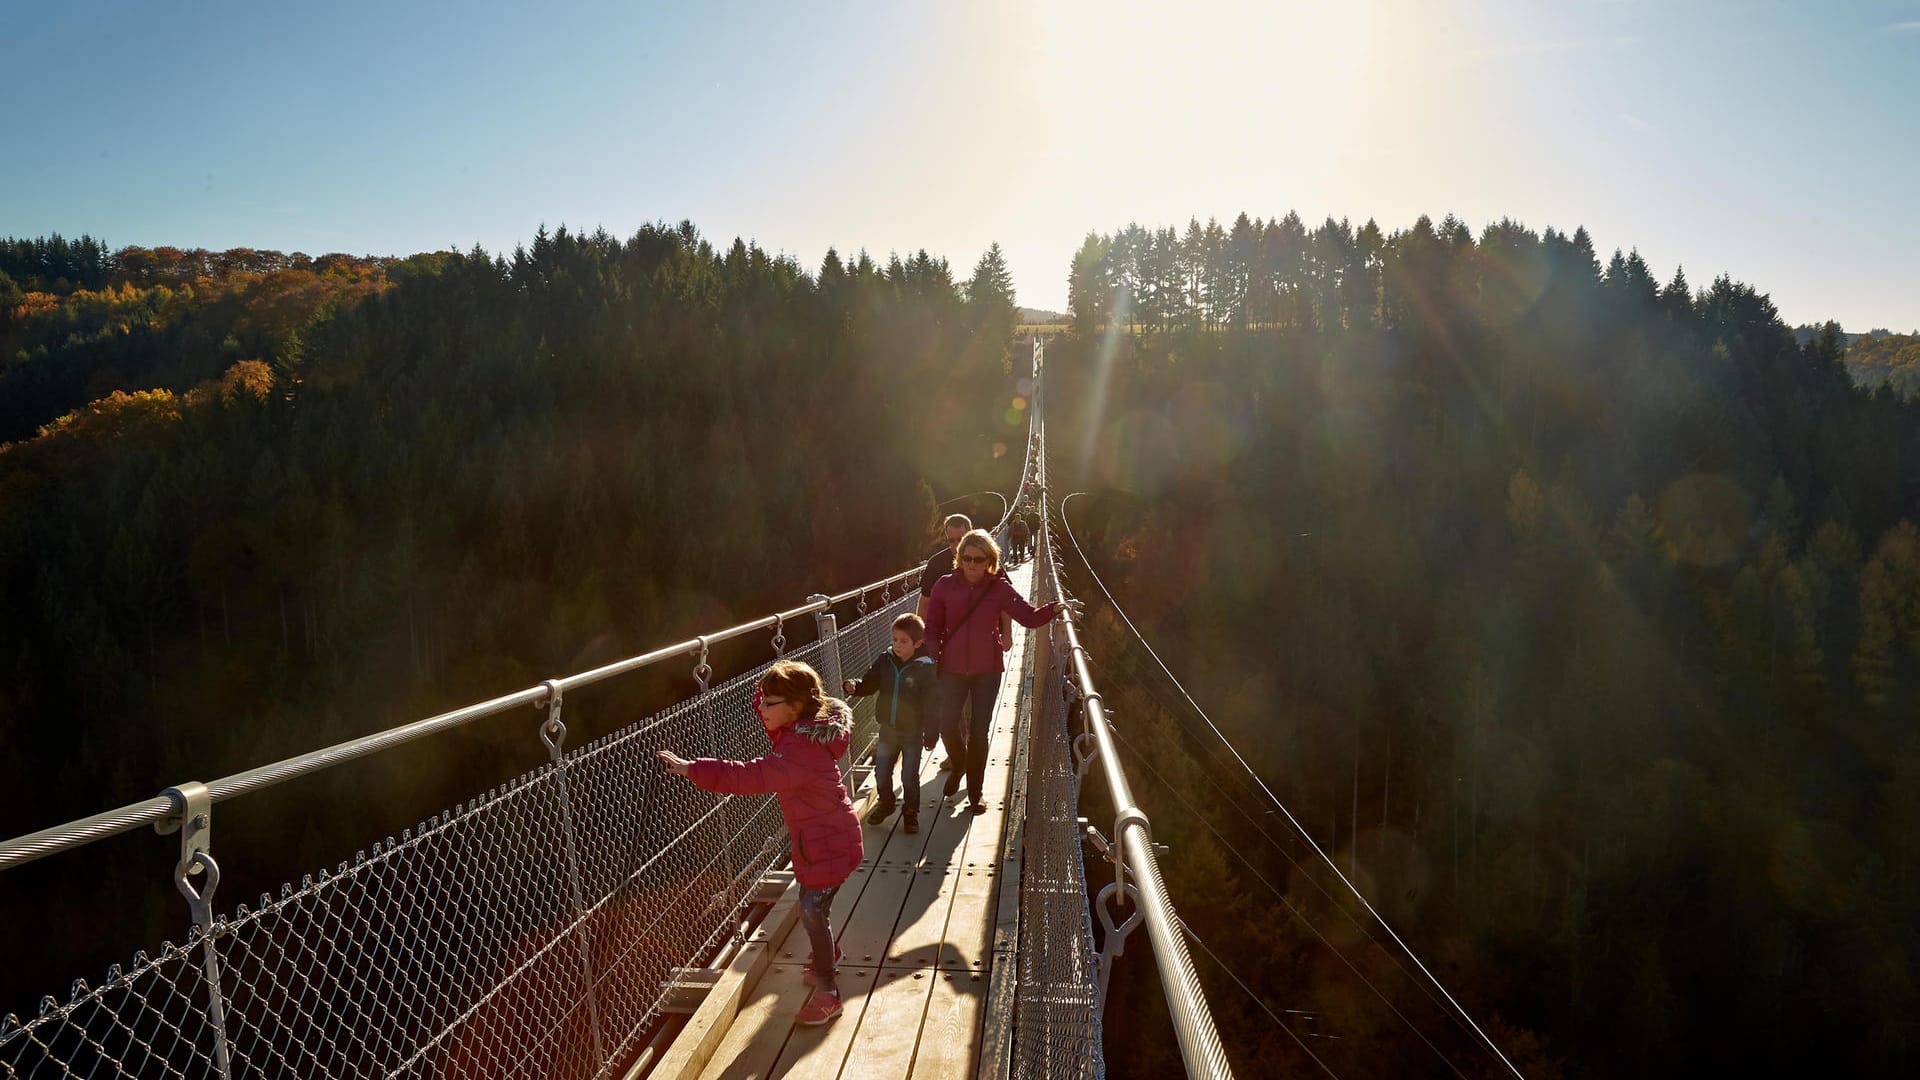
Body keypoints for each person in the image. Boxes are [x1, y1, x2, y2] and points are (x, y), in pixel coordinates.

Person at [656, 660, 861, 1026]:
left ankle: (829, 993)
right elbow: (770, 707)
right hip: (828, 839)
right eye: (762, 702)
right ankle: (827, 952)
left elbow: (748, 777)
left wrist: (693, 769)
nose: (761, 709)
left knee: (812, 910)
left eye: (769, 703)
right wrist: (766, 685)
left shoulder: (797, 752)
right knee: (815, 907)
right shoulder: (803, 730)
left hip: (826, 846)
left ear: (795, 706)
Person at [923, 529, 1067, 813]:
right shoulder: (944, 585)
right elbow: (932, 628)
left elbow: (1029, 616)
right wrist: (934, 651)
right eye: (966, 558)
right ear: (959, 559)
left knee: (979, 731)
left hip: (987, 671)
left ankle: (975, 793)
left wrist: (1055, 608)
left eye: (979, 559)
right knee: (947, 726)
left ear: (990, 560)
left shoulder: (998, 588)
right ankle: (960, 763)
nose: (972, 564)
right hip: (951, 669)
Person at [842, 613, 937, 833]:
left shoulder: (925, 668)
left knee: (909, 775)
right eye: (894, 639)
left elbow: (933, 705)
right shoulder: (885, 660)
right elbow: (870, 682)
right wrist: (856, 686)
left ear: (918, 643)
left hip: (913, 732)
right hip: (887, 730)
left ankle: (911, 813)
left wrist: (932, 734)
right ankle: (886, 803)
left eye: (903, 641)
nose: (897, 645)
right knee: (881, 772)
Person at [918, 513, 972, 776]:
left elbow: (1004, 597)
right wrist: (917, 635)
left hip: (978, 647)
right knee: (954, 704)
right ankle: (957, 756)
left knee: (973, 704)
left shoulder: (985, 559)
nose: (955, 546)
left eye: (960, 539)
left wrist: (1004, 633)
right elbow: (925, 602)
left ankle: (969, 755)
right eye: (951, 540)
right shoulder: (937, 563)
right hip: (945, 647)